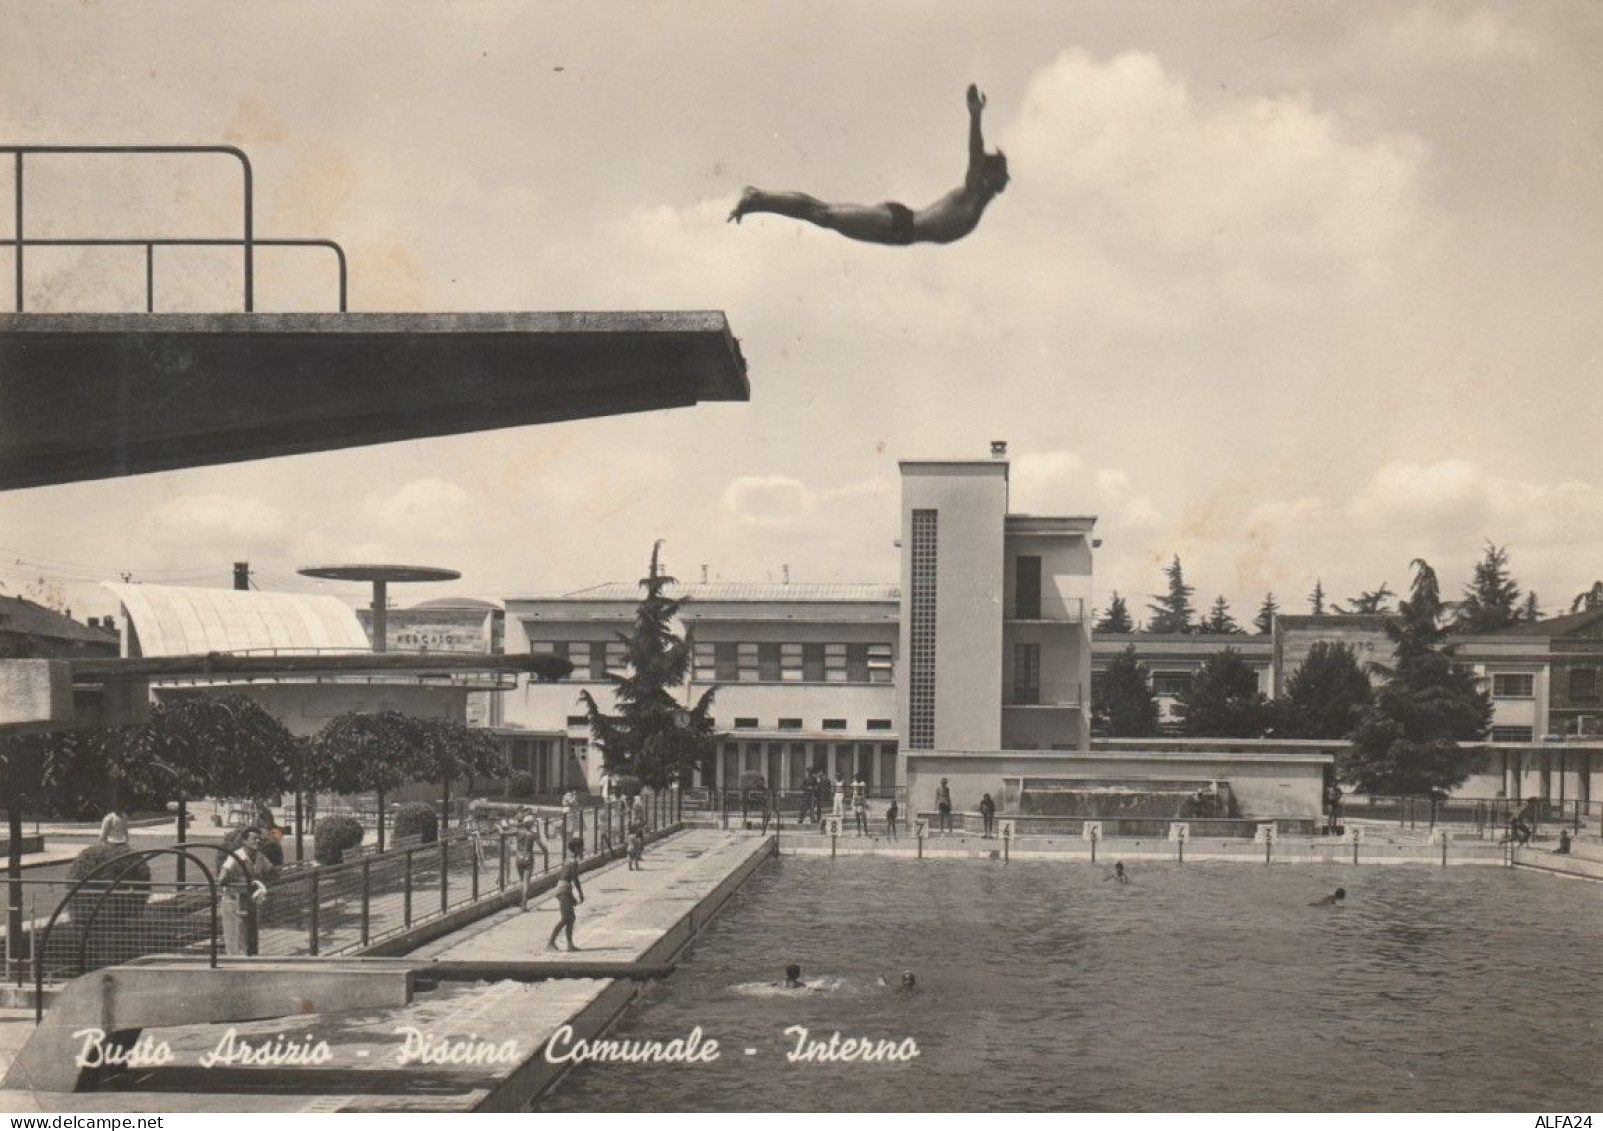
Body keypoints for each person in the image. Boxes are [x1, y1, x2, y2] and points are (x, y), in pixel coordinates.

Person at [729, 84, 1010, 247]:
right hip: (895, 225)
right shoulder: (974, 190)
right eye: (1003, 173)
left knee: (821, 214)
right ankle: (758, 197)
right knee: (822, 214)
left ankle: (759, 199)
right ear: (989, 174)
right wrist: (975, 117)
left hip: (897, 229)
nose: (1008, 179)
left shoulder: (979, 199)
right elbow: (975, 156)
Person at [218, 826, 269, 956]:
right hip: (233, 901)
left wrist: (262, 880)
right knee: (234, 939)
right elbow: (222, 879)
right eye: (254, 839)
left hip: (250, 903)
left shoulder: (260, 857)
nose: (257, 841)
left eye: (259, 839)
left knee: (249, 939)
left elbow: (271, 872)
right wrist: (246, 882)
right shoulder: (236, 857)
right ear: (244, 842)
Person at [547, 837, 586, 952]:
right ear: (576, 847)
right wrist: (580, 894)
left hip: (565, 889)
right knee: (565, 918)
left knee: (571, 918)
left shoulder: (569, 858)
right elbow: (575, 879)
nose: (582, 849)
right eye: (581, 847)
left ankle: (570, 944)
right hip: (563, 889)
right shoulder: (572, 861)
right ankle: (550, 943)